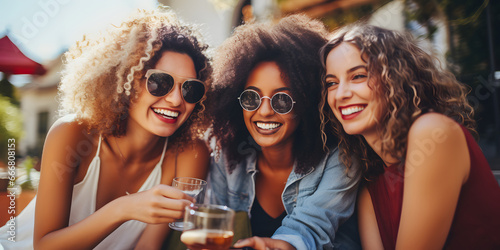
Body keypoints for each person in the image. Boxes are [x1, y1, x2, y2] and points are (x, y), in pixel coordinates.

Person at [0, 7, 212, 249]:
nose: (176, 100)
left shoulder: (189, 152)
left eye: (190, 89)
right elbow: (45, 246)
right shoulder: (71, 135)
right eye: (159, 82)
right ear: (125, 82)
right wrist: (124, 208)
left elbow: (148, 247)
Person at [320, 23, 500, 250]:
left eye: (358, 76)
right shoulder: (371, 186)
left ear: (394, 78)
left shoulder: (433, 133)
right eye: (332, 83)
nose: (341, 94)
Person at [208, 15, 361, 250]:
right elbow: (213, 228)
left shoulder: (340, 158)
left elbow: (310, 229)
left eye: (282, 100)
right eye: (251, 98)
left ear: (307, 102)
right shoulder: (226, 155)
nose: (265, 111)